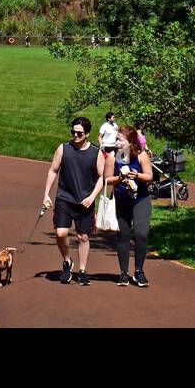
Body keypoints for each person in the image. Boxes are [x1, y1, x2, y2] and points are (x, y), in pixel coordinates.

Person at [42, 117, 106, 286]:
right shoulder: (63, 149)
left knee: (83, 236)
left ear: (87, 134)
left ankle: (82, 271)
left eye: (79, 133)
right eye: (73, 132)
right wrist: (46, 194)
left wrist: (92, 196)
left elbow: (102, 177)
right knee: (60, 233)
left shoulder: (96, 152)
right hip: (64, 198)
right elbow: (53, 171)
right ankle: (67, 261)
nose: (75, 135)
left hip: (85, 200)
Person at [107, 125, 153, 287]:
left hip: (140, 199)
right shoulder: (112, 157)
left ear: (130, 142)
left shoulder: (141, 156)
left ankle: (139, 272)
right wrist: (119, 178)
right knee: (123, 235)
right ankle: (123, 274)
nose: (117, 143)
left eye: (120, 140)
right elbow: (107, 179)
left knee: (141, 234)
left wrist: (137, 175)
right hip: (122, 200)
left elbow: (150, 176)